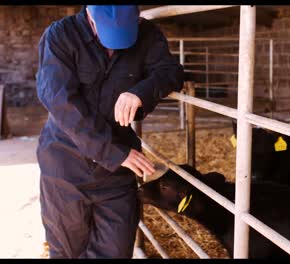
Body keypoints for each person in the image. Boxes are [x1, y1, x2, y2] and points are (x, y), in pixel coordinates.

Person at [35, 5, 184, 258]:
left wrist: (141, 91)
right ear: (91, 16)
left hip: (116, 173)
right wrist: (112, 152)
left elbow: (170, 72)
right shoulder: (61, 35)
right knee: (66, 250)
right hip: (64, 164)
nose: (115, 47)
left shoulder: (147, 34)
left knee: (115, 250)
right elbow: (60, 101)